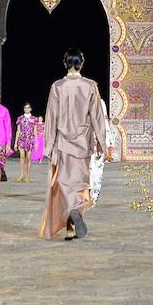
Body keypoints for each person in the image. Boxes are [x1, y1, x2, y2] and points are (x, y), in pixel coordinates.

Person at [39, 46, 106, 242]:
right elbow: (97, 116)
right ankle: (74, 219)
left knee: (64, 185)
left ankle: (70, 226)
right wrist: (101, 141)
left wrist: (48, 146)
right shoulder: (90, 86)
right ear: (81, 63)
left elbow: (51, 117)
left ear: (65, 63)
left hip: (62, 143)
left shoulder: (57, 86)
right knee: (79, 185)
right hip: (83, 143)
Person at [14, 102, 37, 182]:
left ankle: (28, 176)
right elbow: (18, 130)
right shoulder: (20, 118)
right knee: (22, 156)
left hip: (30, 140)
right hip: (22, 139)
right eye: (25, 108)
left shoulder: (34, 119)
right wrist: (15, 143)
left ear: (30, 109)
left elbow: (35, 132)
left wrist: (36, 142)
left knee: (29, 158)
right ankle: (21, 175)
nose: (26, 109)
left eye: (28, 107)